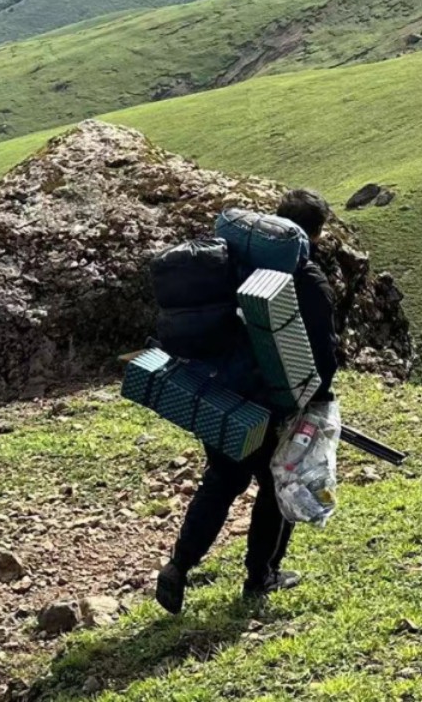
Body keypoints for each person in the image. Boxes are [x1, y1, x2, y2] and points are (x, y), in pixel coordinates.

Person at [156, 189, 340, 613]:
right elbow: (322, 353)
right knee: (275, 490)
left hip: (218, 387)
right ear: (312, 234)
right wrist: (316, 400)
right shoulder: (306, 277)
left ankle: (178, 566)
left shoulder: (231, 260)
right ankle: (262, 576)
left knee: (221, 480)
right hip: (270, 400)